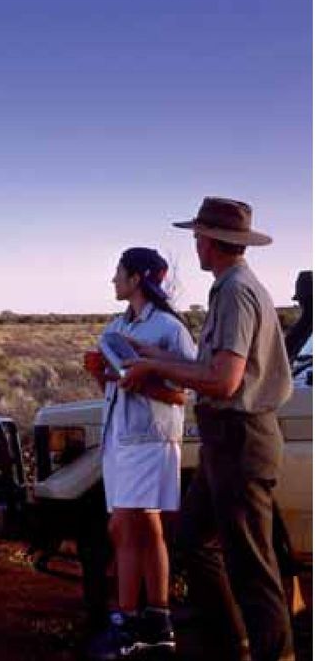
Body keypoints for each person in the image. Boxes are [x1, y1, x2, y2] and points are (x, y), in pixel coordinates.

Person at [120, 197, 295, 661]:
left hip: (241, 440)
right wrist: (153, 358)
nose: (194, 243)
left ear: (214, 241)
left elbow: (224, 380)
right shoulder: (228, 287)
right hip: (225, 442)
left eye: (198, 235)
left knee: (252, 568)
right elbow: (209, 366)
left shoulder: (237, 292)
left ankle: (274, 653)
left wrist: (156, 370)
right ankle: (231, 643)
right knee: (195, 541)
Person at [86, 248, 196, 661]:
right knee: (142, 530)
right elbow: (117, 387)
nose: (113, 279)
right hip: (120, 435)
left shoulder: (169, 329)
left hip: (150, 440)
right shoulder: (116, 326)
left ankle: (128, 624)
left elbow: (187, 392)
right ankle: (158, 623)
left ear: (136, 278)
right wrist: (104, 377)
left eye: (118, 272)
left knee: (128, 528)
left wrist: (142, 383)